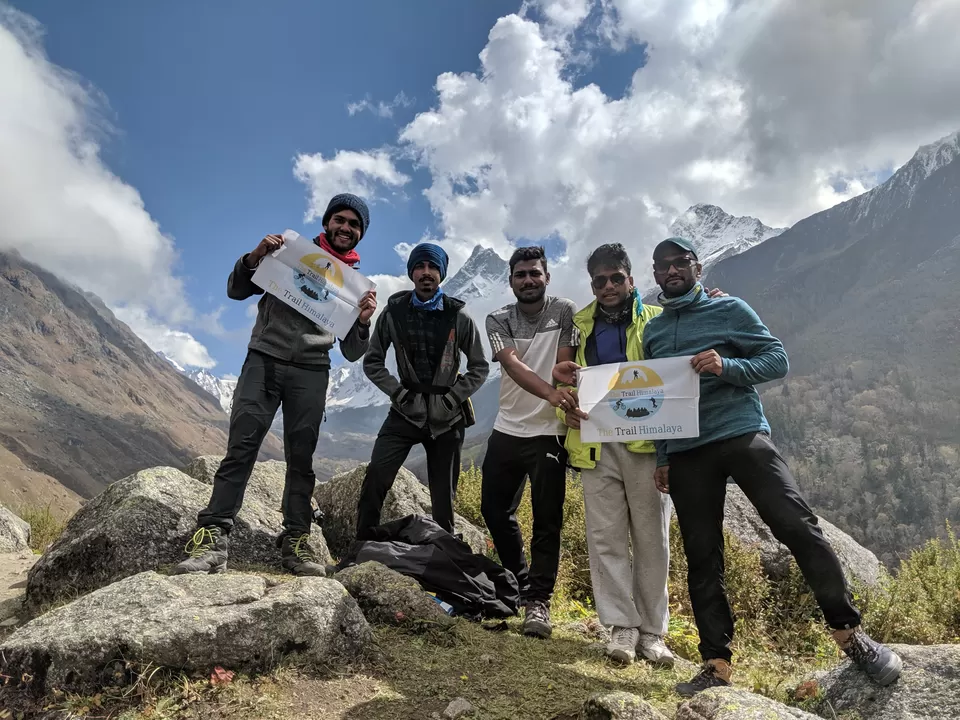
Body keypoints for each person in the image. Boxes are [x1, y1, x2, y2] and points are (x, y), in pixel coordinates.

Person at [641, 236, 902, 697]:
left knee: (798, 525)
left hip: (741, 432)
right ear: (656, 275)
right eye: (662, 266)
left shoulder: (731, 309)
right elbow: (658, 400)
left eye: (679, 262)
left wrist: (727, 366)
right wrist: (663, 457)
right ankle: (715, 665)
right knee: (702, 557)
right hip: (687, 452)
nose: (671, 270)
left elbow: (776, 360)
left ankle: (851, 635)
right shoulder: (655, 332)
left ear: (697, 269)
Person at [175, 193, 377, 577]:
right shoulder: (288, 253)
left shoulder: (355, 287)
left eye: (355, 224)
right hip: (264, 361)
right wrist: (254, 257)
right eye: (341, 220)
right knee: (241, 448)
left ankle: (296, 543)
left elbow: (352, 351)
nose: (346, 228)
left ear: (359, 234)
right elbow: (236, 290)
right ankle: (213, 536)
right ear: (327, 223)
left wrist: (364, 319)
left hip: (312, 372)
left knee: (302, 460)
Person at [552, 243, 675, 667]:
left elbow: (673, 387)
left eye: (615, 278)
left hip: (647, 445)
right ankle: (621, 627)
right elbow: (565, 384)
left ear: (631, 279)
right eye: (599, 281)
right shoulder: (579, 326)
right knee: (605, 537)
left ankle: (653, 632)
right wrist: (564, 409)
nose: (608, 286)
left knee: (652, 539)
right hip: (594, 444)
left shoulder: (659, 321)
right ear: (592, 284)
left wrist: (670, 451)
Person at [356, 243, 489, 538]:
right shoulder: (393, 314)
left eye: (433, 267)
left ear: (440, 273)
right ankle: (362, 542)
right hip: (406, 410)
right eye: (420, 267)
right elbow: (373, 362)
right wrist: (400, 394)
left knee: (444, 497)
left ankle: (444, 554)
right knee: (377, 473)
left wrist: (453, 398)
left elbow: (480, 366)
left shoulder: (460, 317)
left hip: (448, 417)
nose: (426, 273)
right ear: (411, 273)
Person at [481, 246, 580, 638]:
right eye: (520, 274)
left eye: (534, 273)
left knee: (547, 520)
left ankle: (538, 601)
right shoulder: (498, 317)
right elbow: (512, 364)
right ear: (511, 281)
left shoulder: (564, 310)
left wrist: (558, 396)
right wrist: (551, 393)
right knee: (494, 510)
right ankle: (522, 584)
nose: (528, 280)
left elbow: (564, 360)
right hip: (507, 428)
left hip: (549, 433)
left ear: (546, 277)